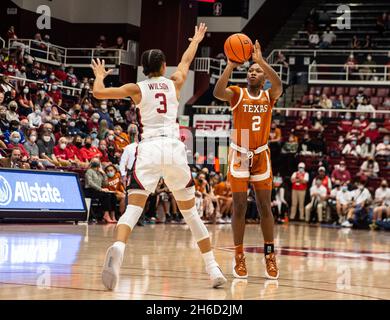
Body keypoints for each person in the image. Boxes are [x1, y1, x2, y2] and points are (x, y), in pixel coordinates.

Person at [92, 23, 227, 290]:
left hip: (150, 148)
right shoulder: (174, 82)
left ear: (144, 69)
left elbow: (98, 93)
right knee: (191, 215)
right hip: (174, 148)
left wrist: (99, 75)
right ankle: (213, 270)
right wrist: (196, 40)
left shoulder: (137, 88)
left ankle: (119, 246)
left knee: (133, 208)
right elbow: (187, 60)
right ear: (164, 66)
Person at [213, 39, 283, 279]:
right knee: (240, 206)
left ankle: (270, 255)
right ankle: (239, 256)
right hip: (240, 152)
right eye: (251, 70)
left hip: (261, 154)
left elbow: (279, 85)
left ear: (263, 77)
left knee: (265, 206)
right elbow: (217, 91)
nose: (252, 72)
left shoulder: (268, 95)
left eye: (257, 71)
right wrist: (230, 66)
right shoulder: (237, 93)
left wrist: (262, 61)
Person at [84, 159, 118, 223]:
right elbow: (90, 183)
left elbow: (105, 184)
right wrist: (100, 189)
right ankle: (106, 214)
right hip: (90, 190)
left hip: (99, 190)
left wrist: (104, 174)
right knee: (106, 195)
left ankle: (112, 215)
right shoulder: (89, 171)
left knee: (113, 196)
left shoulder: (100, 173)